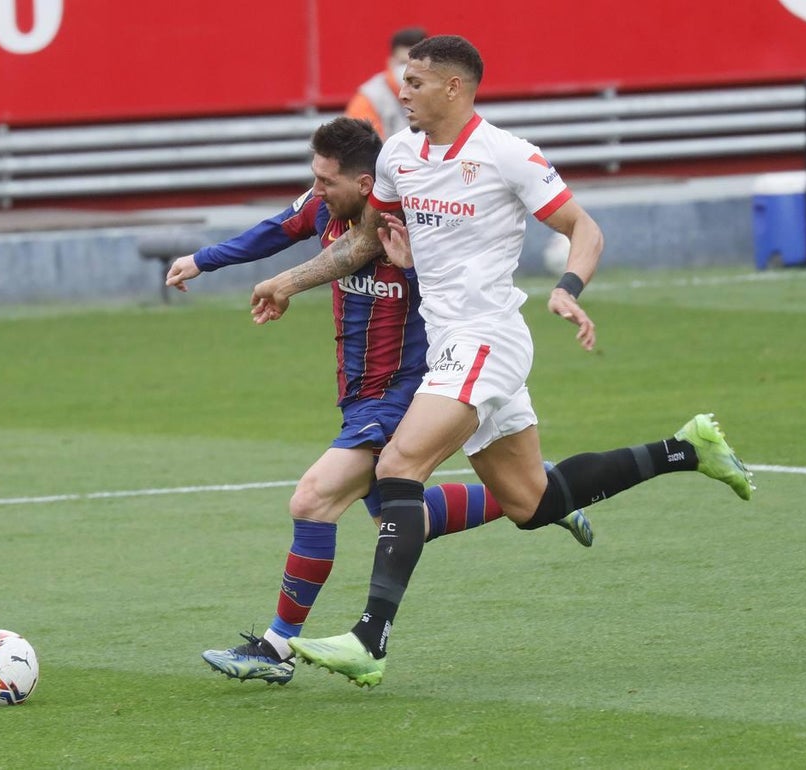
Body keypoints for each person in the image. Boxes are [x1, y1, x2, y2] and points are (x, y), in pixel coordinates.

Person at [250, 35, 755, 688]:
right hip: (450, 342)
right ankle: (687, 450)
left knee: (401, 466)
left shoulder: (506, 156)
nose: (401, 91)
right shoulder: (400, 154)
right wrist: (287, 283)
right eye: (402, 80)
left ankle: (370, 639)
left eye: (416, 81)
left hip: (487, 339)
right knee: (529, 501)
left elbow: (585, 229)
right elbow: (365, 243)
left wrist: (569, 292)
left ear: (454, 88)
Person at [163, 117, 593, 685]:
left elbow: (460, 280)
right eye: (312, 180)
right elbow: (277, 228)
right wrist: (203, 260)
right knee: (401, 515)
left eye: (325, 181)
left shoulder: (410, 226)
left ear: (366, 184)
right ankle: (543, 490)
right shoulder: (325, 205)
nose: (315, 192)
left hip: (406, 390)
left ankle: (275, 647)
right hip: (358, 393)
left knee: (313, 498)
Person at [344, 27, 427, 140]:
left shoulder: (442, 92)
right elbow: (361, 149)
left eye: (416, 64)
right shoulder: (370, 99)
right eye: (403, 63)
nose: (409, 70)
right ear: (390, 63)